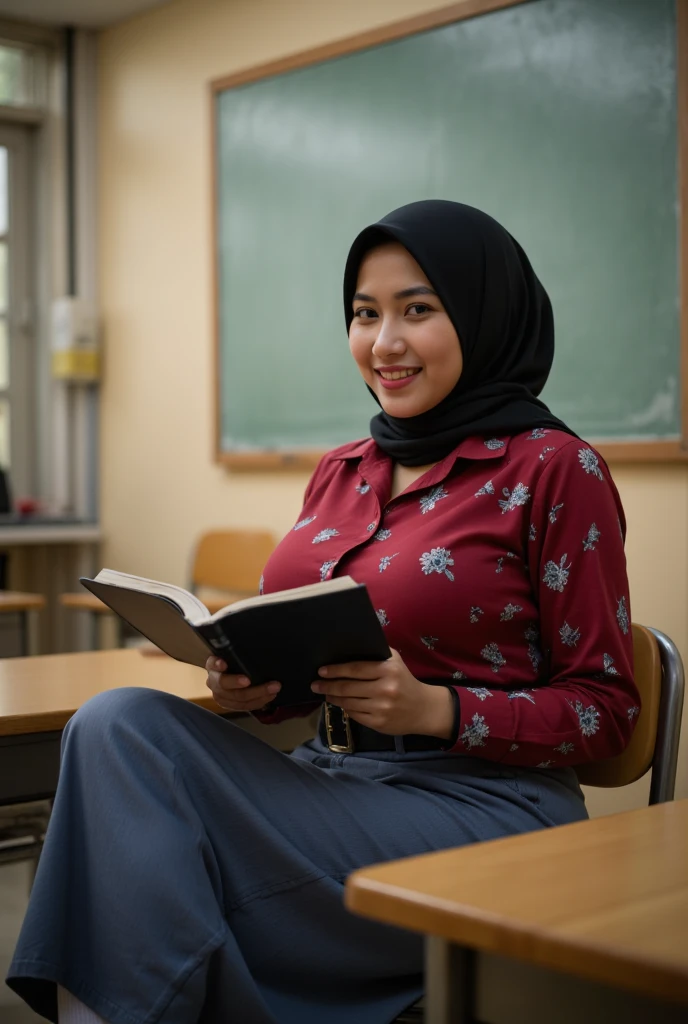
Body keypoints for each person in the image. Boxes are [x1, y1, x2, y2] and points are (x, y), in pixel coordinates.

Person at [7, 200, 640, 1024]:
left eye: (418, 309)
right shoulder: (345, 468)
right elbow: (317, 664)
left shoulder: (555, 469)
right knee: (115, 724)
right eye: (363, 314)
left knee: (141, 836)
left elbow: (608, 710)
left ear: (485, 316)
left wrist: (437, 709)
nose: (384, 343)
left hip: (483, 811)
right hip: (330, 779)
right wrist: (258, 687)